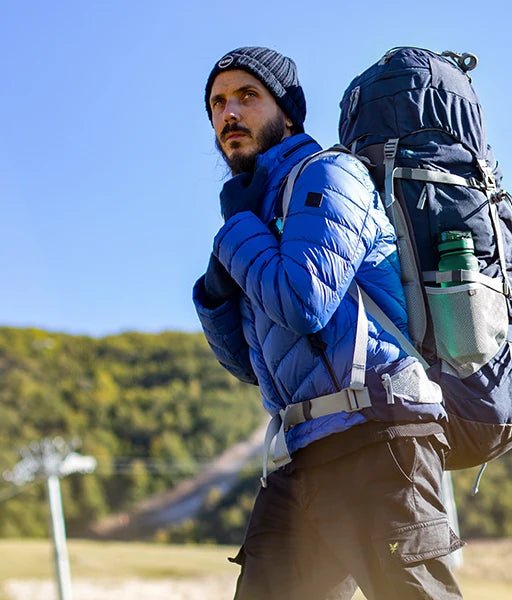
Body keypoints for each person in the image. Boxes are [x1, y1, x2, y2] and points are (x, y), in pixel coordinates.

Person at [192, 46, 463, 600]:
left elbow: (302, 300)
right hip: (300, 454)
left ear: (287, 111)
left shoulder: (328, 176)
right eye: (218, 104)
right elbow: (249, 364)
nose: (229, 114)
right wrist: (216, 294)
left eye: (248, 96)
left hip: (378, 436)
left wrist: (237, 233)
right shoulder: (258, 215)